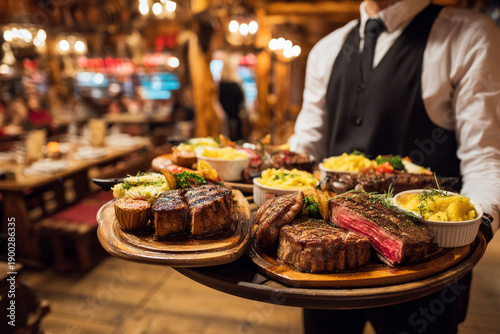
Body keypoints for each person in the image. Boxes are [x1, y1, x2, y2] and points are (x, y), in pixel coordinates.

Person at [288, 0, 500, 332]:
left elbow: (486, 158)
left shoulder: (469, 36)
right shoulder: (325, 49)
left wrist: (478, 229)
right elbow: (306, 146)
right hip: (328, 260)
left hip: (423, 271)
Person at [218, 54, 245, 141]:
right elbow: (240, 98)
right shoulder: (235, 84)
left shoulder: (219, 84)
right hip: (233, 117)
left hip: (224, 116)